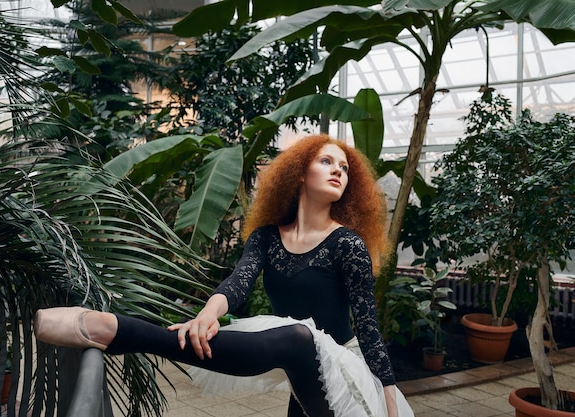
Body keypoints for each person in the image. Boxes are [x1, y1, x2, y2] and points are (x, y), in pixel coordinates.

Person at [34, 134, 414, 417]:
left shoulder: (347, 244)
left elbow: (368, 328)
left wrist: (390, 403)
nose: (339, 171)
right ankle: (119, 331)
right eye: (327, 162)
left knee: (300, 335)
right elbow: (238, 283)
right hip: (302, 377)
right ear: (299, 173)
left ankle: (120, 331)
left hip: (347, 378)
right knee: (293, 338)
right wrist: (206, 315)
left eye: (345, 168)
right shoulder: (267, 238)